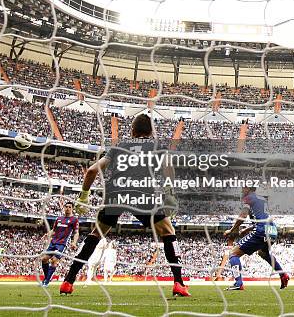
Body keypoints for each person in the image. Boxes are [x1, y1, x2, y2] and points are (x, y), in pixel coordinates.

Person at [59, 114, 190, 297]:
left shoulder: (118, 147)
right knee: (168, 232)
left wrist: (83, 196)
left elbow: (92, 170)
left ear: (132, 131)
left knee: (96, 234)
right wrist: (170, 194)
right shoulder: (156, 146)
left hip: (116, 193)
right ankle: (179, 283)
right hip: (143, 193)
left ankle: (68, 280)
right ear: (151, 132)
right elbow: (168, 166)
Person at [223, 186, 289, 290]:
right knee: (263, 253)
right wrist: (246, 229)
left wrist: (232, 229)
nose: (242, 190)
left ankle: (238, 283)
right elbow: (262, 218)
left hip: (261, 231)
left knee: (233, 253)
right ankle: (283, 274)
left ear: (248, 189)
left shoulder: (248, 198)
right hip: (272, 231)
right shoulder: (262, 199)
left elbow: (243, 215)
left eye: (243, 187)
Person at [40, 202, 79, 287]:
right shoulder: (59, 218)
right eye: (66, 207)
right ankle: (47, 278)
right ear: (64, 208)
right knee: (44, 259)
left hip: (62, 244)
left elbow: (76, 232)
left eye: (70, 207)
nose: (68, 208)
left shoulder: (74, 220)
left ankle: (46, 282)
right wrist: (47, 234)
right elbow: (54, 230)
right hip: (53, 242)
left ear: (72, 209)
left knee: (54, 260)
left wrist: (74, 242)